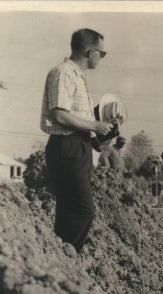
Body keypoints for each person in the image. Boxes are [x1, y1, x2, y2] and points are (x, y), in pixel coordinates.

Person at [40, 28, 114, 253]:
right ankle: (67, 257)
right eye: (101, 53)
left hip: (77, 147)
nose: (101, 58)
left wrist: (102, 134)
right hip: (67, 147)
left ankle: (61, 261)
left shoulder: (78, 77)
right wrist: (94, 125)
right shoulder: (63, 73)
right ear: (90, 52)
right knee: (83, 210)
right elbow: (59, 114)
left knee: (70, 209)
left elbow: (76, 118)